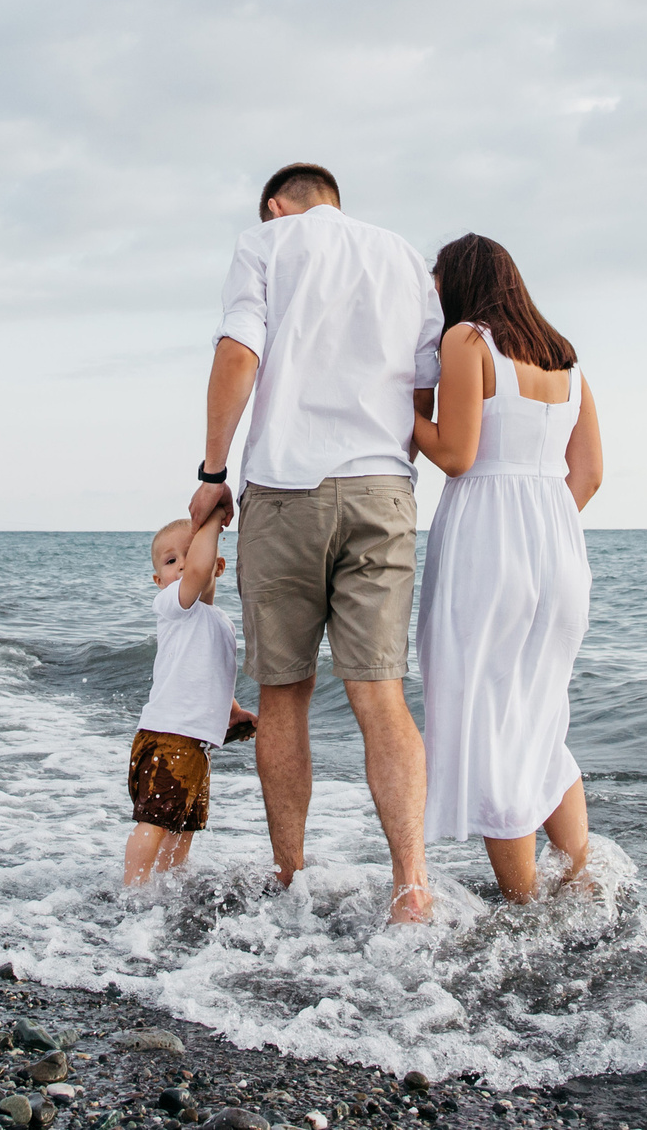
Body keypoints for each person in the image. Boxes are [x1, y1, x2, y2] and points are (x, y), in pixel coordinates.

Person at [190, 162, 444, 922]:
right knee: (381, 693)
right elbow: (423, 388)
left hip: (285, 487)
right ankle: (411, 886)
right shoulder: (400, 254)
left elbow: (239, 354)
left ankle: (291, 877)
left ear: (277, 206)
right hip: (381, 486)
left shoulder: (264, 244)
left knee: (285, 693)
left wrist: (211, 470)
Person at [411, 232, 604, 903]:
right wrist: (542, 526)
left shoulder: (467, 341)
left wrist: (411, 410)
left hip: (487, 543)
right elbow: (590, 473)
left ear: (460, 283)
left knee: (487, 717)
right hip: (559, 547)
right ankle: (579, 877)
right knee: (542, 716)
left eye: (437, 286)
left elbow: (457, 454)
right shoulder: (566, 359)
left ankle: (524, 906)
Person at [125, 508, 258, 885]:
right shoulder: (173, 606)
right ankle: (131, 890)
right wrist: (213, 517)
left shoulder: (218, 621)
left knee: (184, 825)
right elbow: (195, 575)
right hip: (167, 737)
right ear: (158, 579)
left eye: (191, 554)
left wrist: (232, 712)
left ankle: (170, 885)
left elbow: (210, 673)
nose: (182, 566)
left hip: (195, 745)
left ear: (219, 566)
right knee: (154, 821)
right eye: (171, 561)